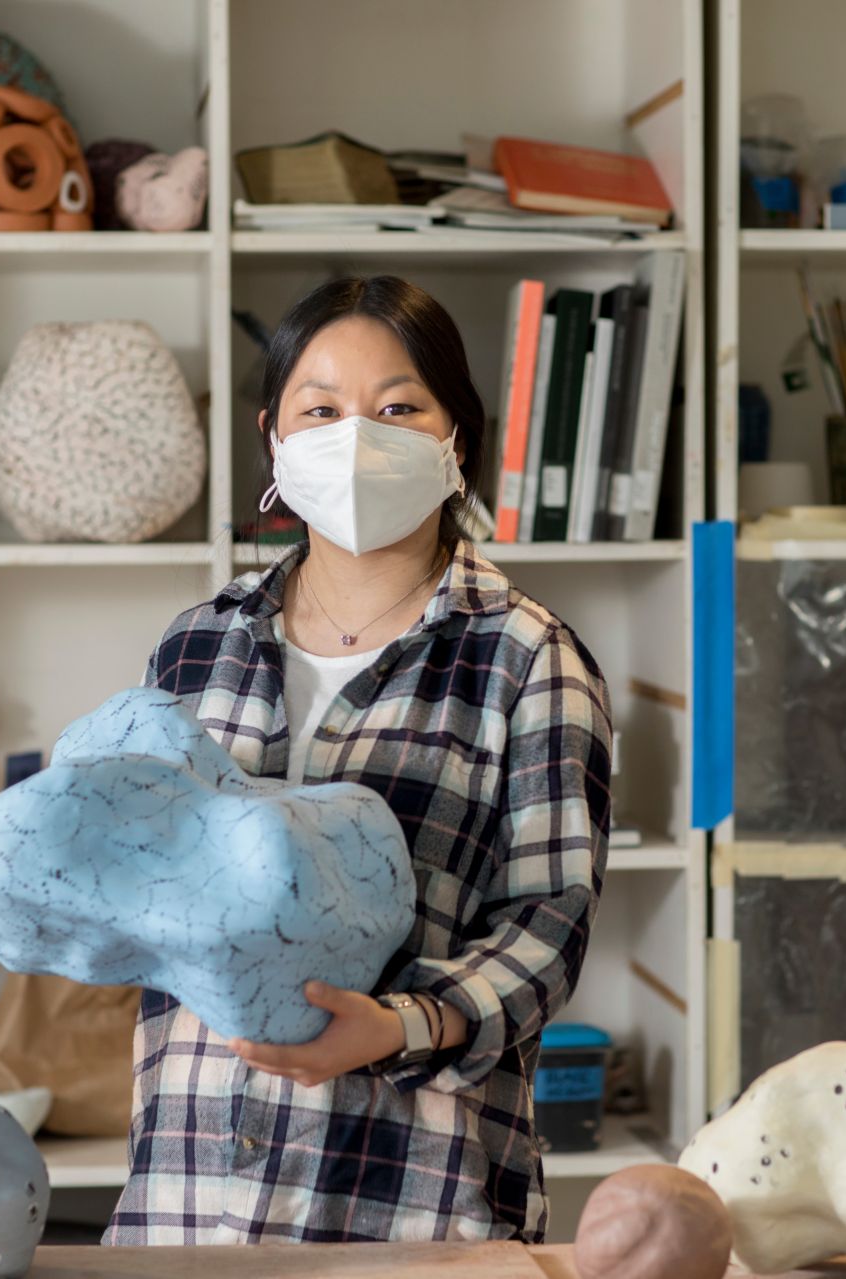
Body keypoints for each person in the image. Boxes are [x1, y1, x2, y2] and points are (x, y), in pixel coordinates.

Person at [105, 275, 613, 1246]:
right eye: (321, 409)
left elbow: (549, 925)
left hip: (410, 1194)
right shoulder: (195, 645)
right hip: (187, 1195)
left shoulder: (526, 657)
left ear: (454, 434)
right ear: (274, 438)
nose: (355, 435)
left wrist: (402, 1023)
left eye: (396, 407)